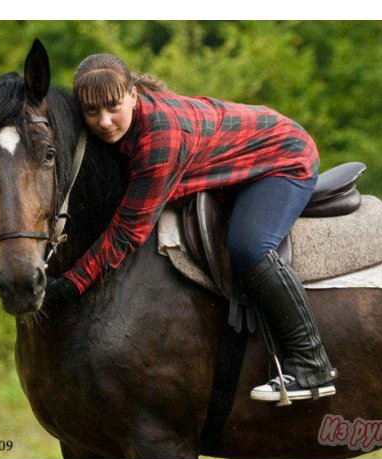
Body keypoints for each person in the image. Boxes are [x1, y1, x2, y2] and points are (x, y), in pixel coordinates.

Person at [46, 53, 337, 403]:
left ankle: (311, 363)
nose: (105, 122)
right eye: (92, 112)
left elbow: (129, 231)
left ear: (134, 95)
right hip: (234, 160)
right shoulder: (118, 122)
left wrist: (71, 284)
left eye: (113, 107)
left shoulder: (160, 137)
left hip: (282, 158)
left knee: (249, 246)